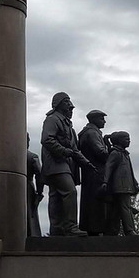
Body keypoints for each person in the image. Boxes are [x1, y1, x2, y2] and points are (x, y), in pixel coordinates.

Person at [40, 92, 89, 236]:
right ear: (59, 104)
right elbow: (47, 139)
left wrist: (86, 163)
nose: (71, 107)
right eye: (67, 103)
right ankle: (70, 227)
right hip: (56, 163)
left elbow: (74, 149)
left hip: (64, 164)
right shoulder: (52, 119)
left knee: (55, 195)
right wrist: (64, 151)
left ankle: (57, 229)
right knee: (70, 191)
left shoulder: (68, 125)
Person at [77, 109, 110, 235]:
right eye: (102, 118)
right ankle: (95, 230)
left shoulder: (90, 132)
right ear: (94, 119)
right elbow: (101, 153)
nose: (104, 121)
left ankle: (93, 229)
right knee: (96, 203)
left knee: (91, 202)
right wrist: (112, 150)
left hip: (91, 173)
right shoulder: (92, 133)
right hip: (96, 173)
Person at [102, 131, 139, 235]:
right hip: (120, 186)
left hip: (126, 185)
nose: (129, 141)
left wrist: (135, 183)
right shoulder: (115, 153)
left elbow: (130, 171)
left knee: (116, 210)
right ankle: (129, 230)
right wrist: (105, 181)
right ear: (119, 141)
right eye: (126, 139)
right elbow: (108, 167)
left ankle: (112, 231)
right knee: (125, 207)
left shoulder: (125, 154)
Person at [26, 133, 44, 238]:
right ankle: (33, 236)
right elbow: (40, 176)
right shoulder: (32, 157)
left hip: (12, 188)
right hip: (28, 187)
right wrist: (39, 192)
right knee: (31, 214)